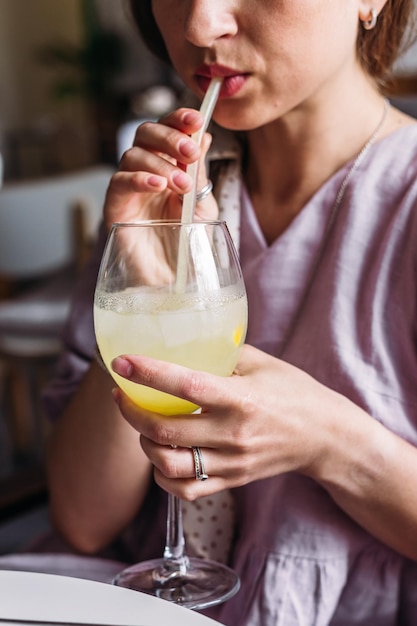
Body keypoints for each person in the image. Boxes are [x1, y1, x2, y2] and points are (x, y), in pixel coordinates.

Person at [43, 0, 417, 624]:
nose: (197, 26)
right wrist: (142, 286)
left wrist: (331, 443)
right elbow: (84, 521)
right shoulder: (162, 194)